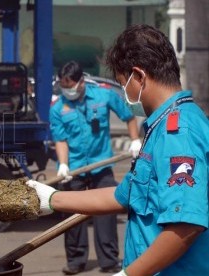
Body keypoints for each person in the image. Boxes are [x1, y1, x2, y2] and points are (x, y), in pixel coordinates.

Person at [28, 24, 209, 276]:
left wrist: (128, 274)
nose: (124, 95)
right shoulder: (162, 126)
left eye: (123, 84)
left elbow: (185, 225)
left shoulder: (177, 131)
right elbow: (122, 196)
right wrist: (51, 198)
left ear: (139, 76)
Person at [49, 60, 142, 275]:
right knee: (72, 217)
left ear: (81, 82)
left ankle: (109, 261)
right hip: (75, 168)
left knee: (107, 214)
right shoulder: (58, 107)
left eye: (70, 85)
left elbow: (128, 115)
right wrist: (63, 164)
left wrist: (135, 140)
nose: (67, 90)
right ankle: (75, 261)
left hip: (102, 166)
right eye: (63, 86)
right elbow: (60, 139)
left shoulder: (104, 95)